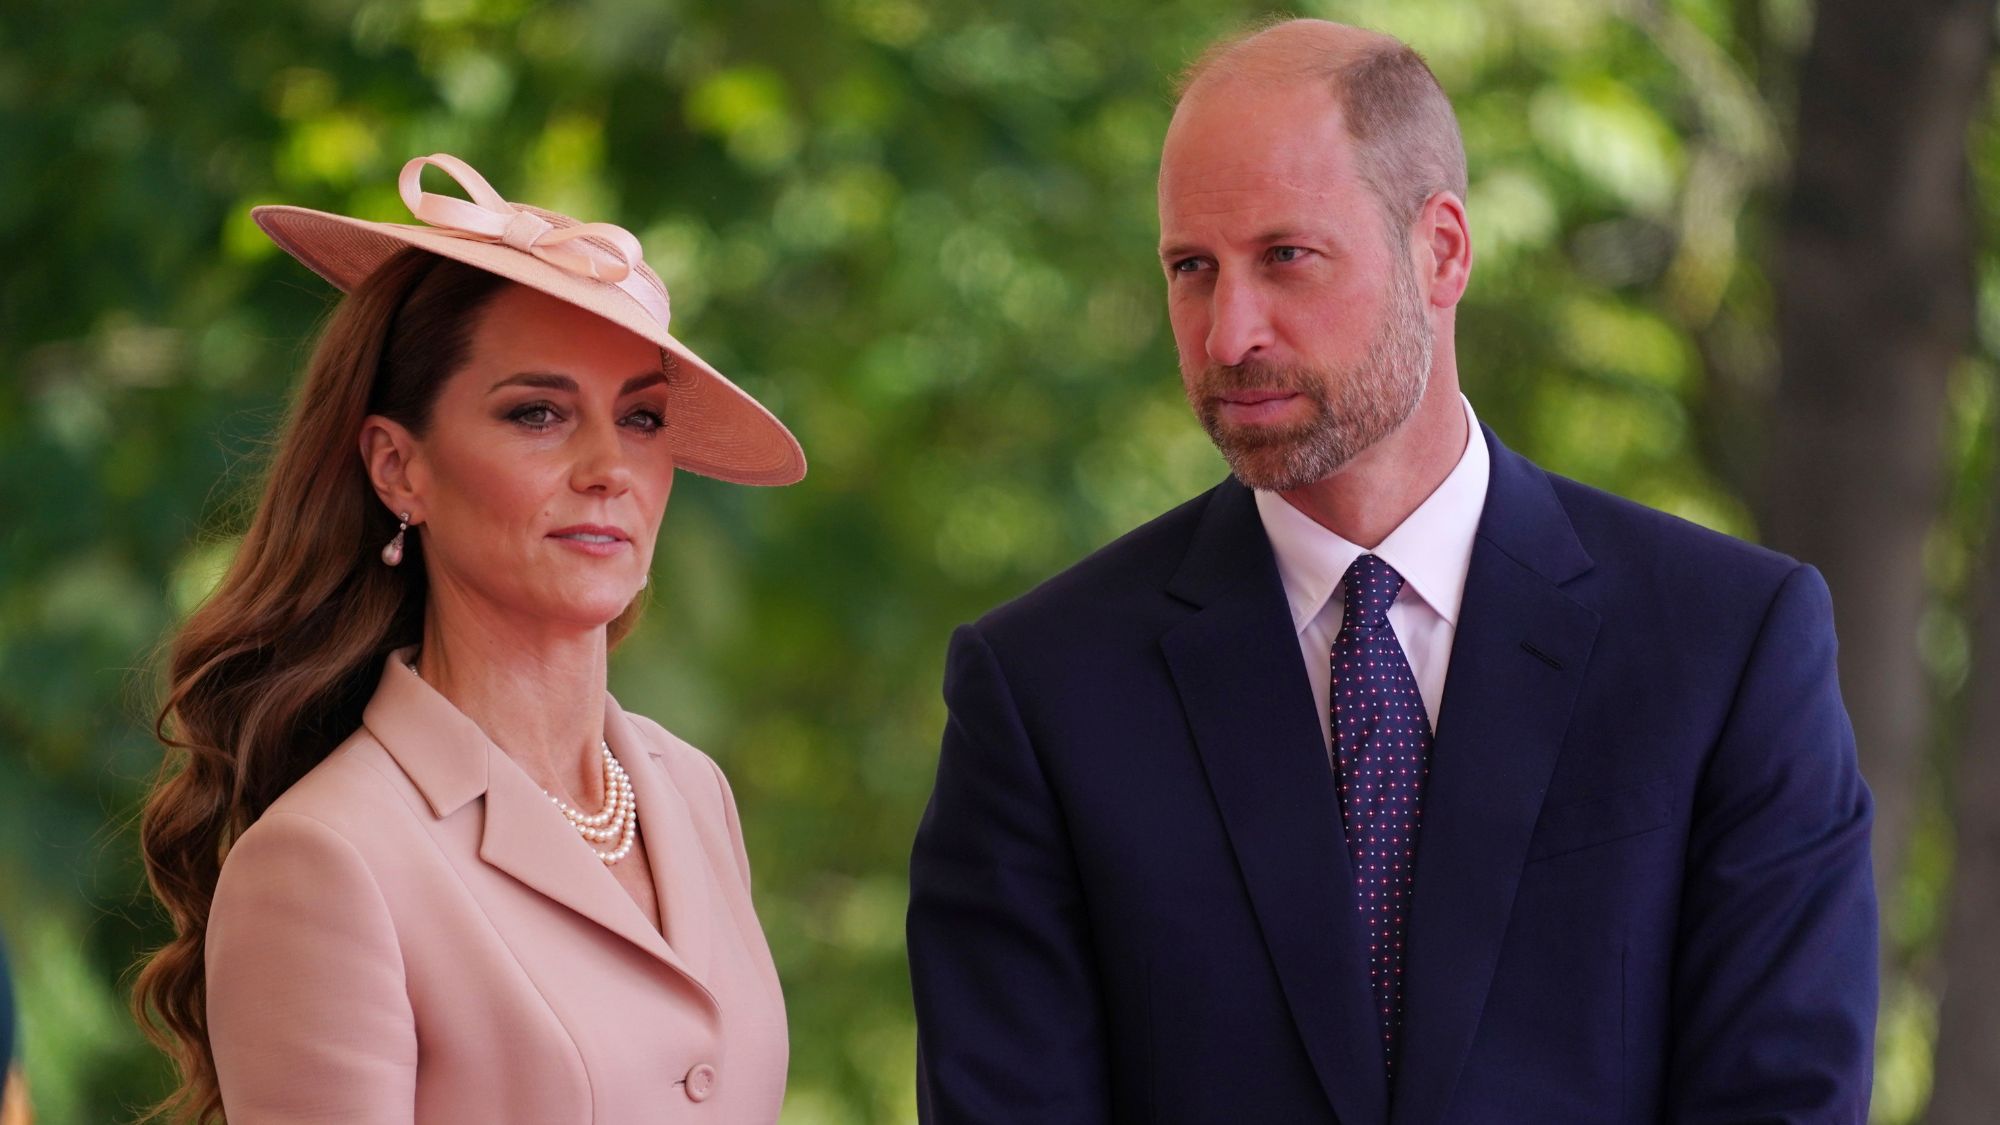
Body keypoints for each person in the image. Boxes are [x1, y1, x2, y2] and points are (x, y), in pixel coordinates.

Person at [907, 19, 1877, 1124]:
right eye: (1191, 268)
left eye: (1284, 256)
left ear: (1442, 252)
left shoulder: (1724, 645)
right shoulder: (1042, 689)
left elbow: (1782, 1099)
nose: (1228, 332)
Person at [131, 154, 802, 1123]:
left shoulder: (690, 790)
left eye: (643, 418)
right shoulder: (326, 857)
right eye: (538, 413)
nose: (610, 466)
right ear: (398, 468)